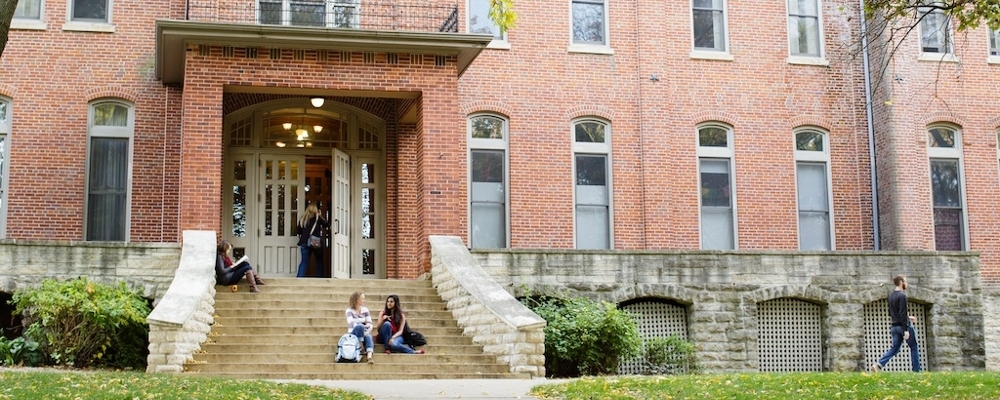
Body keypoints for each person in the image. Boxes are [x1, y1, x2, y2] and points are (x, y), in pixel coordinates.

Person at [870, 274, 921, 372]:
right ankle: (917, 370)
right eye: (906, 281)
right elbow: (902, 312)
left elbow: (892, 313)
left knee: (895, 348)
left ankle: (879, 365)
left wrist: (908, 317)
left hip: (894, 327)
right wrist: (906, 329)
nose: (907, 284)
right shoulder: (902, 296)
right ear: (901, 282)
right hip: (903, 326)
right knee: (914, 347)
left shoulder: (891, 296)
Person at [296, 203, 328, 278]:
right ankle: (320, 278)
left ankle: (299, 278)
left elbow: (298, 231)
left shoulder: (302, 219)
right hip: (315, 241)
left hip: (304, 242)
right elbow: (326, 224)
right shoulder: (317, 218)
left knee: (304, 262)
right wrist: (320, 215)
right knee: (319, 260)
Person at [346, 291, 376, 364]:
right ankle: (361, 345)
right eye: (362, 299)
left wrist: (365, 332)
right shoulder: (349, 310)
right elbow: (351, 324)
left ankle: (369, 357)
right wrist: (363, 326)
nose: (364, 300)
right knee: (360, 326)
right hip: (353, 333)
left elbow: (370, 323)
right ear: (356, 299)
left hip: (364, 332)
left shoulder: (365, 310)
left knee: (368, 337)